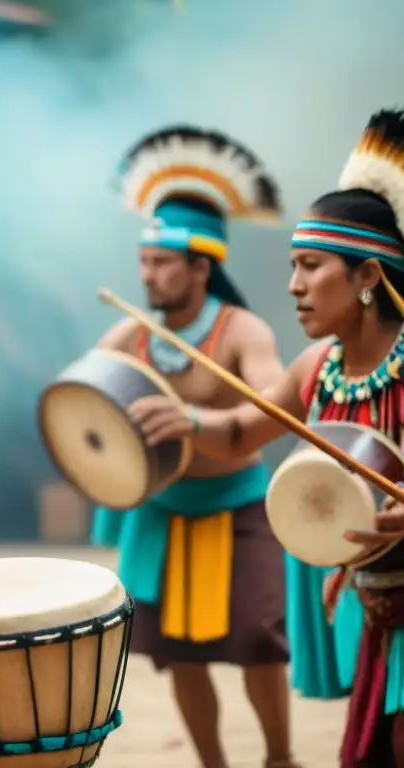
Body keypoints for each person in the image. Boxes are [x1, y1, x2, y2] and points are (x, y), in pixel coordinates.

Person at [130, 109, 404, 768]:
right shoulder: (317, 369)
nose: (293, 286)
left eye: (311, 266)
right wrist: (191, 424)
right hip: (381, 612)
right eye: (292, 266)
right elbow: (240, 431)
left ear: (369, 276)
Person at [92, 125, 297, 768]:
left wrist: (195, 420)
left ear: (202, 266)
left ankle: (281, 757)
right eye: (144, 261)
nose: (147, 274)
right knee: (178, 651)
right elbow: (83, 399)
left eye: (163, 263)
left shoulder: (244, 331)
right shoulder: (132, 333)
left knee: (260, 641)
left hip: (238, 504)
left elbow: (274, 408)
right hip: (164, 508)